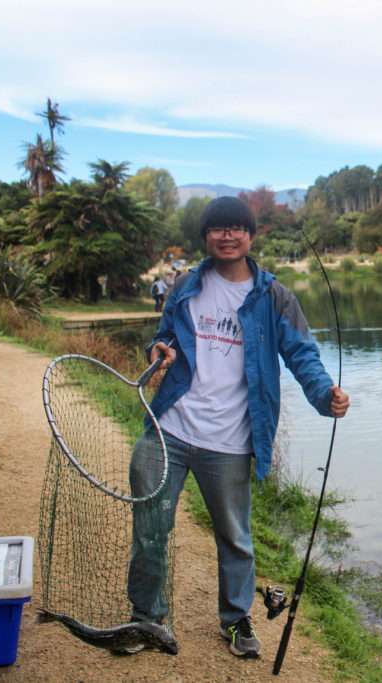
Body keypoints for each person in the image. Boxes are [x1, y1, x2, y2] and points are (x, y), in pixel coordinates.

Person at [126, 197, 349, 658]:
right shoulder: (185, 284)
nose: (227, 236)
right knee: (150, 526)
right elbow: (164, 335)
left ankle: (236, 619)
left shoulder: (274, 296)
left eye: (236, 228)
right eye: (218, 229)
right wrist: (159, 350)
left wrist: (326, 396)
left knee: (235, 537)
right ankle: (146, 618)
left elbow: (303, 355)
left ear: (251, 235)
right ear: (205, 236)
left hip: (229, 440)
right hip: (169, 426)